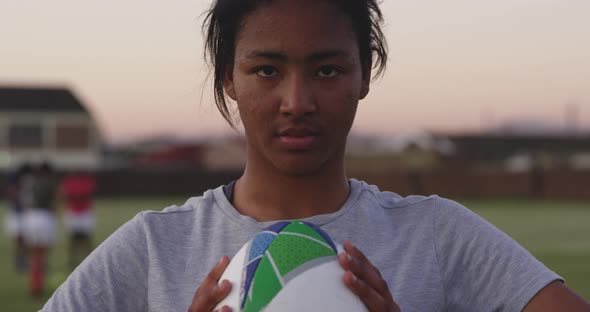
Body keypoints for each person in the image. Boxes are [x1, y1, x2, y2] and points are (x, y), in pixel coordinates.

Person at [43, 0, 590, 311]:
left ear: (364, 75)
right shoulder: (154, 248)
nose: (297, 102)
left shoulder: (437, 235)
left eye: (327, 70)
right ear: (228, 78)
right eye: (267, 70)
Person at [24, 162, 58, 298]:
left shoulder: (31, 183)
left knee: (34, 255)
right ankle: (39, 286)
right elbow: (55, 203)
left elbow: (26, 202)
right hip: (45, 217)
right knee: (42, 255)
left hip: (31, 217)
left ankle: (35, 285)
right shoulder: (50, 183)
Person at [59, 170, 97, 269]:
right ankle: (73, 260)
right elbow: (66, 194)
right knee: (73, 238)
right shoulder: (69, 181)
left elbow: (86, 193)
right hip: (73, 212)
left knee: (86, 238)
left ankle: (90, 259)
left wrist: (76, 195)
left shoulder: (87, 180)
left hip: (85, 212)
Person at [3, 163, 33, 272]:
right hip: (15, 214)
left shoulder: (27, 183)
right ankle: (20, 261)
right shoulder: (15, 183)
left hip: (25, 214)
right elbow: (11, 196)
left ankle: (24, 261)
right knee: (18, 240)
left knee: (25, 240)